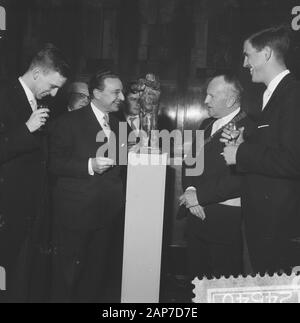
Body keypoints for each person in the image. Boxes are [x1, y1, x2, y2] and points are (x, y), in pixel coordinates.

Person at [221, 26, 300, 275]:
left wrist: (241, 153)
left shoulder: (293, 94)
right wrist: (244, 141)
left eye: (248, 55)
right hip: (263, 219)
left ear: (265, 54)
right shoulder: (270, 94)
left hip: (278, 224)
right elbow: (275, 146)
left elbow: (293, 160)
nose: (245, 64)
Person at [0, 43, 69, 301]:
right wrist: (26, 129)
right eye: (52, 86)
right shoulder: (4, 95)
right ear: (37, 73)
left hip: (30, 214)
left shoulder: (36, 101)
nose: (54, 93)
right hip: (7, 213)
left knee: (21, 286)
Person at [49, 70, 126, 302]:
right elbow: (53, 164)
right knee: (68, 277)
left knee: (95, 277)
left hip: (107, 214)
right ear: (96, 93)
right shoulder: (67, 122)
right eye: (116, 92)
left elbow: (121, 163)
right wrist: (89, 165)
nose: (122, 97)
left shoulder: (117, 123)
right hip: (76, 215)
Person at [181, 74, 253, 281]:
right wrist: (190, 191)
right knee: (196, 280)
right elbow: (190, 162)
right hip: (195, 214)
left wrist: (200, 196)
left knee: (222, 284)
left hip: (224, 221)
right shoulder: (206, 124)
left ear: (230, 100)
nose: (205, 101)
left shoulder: (250, 129)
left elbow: (240, 179)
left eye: (211, 96)